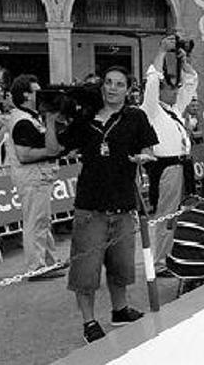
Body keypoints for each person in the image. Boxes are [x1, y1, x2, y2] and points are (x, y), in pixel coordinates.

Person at [56, 66, 159, 344]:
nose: (113, 88)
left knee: (121, 267)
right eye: (109, 83)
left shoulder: (135, 117)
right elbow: (59, 146)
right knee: (86, 271)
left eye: (119, 84)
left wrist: (143, 158)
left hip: (124, 204)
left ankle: (120, 309)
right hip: (90, 207)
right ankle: (89, 322)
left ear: (128, 89)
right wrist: (54, 114)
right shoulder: (86, 117)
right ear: (103, 86)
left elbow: (149, 149)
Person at [140, 35, 198, 277]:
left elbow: (191, 83)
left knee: (179, 214)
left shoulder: (174, 110)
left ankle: (172, 253)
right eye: (170, 87)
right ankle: (160, 260)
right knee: (165, 215)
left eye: (175, 88)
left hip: (182, 166)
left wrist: (184, 61)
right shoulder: (151, 110)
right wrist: (162, 52)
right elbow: (152, 80)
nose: (175, 91)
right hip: (166, 167)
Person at [5, 75, 67, 280]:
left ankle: (49, 262)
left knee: (43, 221)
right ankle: (36, 266)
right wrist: (52, 152)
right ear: (26, 95)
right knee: (35, 222)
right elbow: (24, 154)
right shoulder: (22, 120)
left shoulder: (29, 117)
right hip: (32, 177)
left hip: (38, 177)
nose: (41, 96)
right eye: (36, 91)